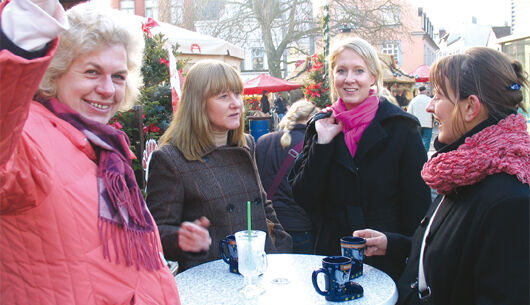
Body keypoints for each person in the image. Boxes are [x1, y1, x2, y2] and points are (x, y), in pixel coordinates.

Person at [0, 1, 180, 304]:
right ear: (54, 73)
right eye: (92, 72)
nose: (108, 89)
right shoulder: (25, 137)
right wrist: (28, 23)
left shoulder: (105, 149)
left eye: (118, 76)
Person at [354, 47, 529, 305]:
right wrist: (394, 245)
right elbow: (455, 257)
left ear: (470, 107)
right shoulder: (464, 169)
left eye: (438, 95)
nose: (431, 107)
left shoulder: (510, 200)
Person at [289, 37, 431, 281]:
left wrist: (398, 246)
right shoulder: (322, 124)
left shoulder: (401, 128)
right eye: (341, 71)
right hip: (333, 256)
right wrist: (322, 146)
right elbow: (303, 196)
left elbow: (418, 209)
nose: (349, 79)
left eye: (359, 71)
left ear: (373, 76)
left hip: (385, 259)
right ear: (333, 76)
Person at [146, 60, 292, 272]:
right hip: (210, 279)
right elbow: (155, 233)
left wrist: (281, 244)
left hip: (258, 270)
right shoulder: (170, 159)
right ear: (198, 103)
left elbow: (261, 203)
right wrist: (182, 238)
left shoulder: (246, 144)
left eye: (237, 94)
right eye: (223, 96)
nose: (236, 104)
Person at [256, 99, 319, 254]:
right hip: (301, 227)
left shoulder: (263, 141)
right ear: (313, 117)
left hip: (269, 227)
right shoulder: (314, 144)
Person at [407, 86, 434, 151]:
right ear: (425, 91)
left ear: (419, 91)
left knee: (417, 141)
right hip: (428, 123)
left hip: (416, 124)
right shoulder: (429, 100)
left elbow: (409, 112)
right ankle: (425, 155)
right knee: (426, 141)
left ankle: (418, 154)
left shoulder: (414, 100)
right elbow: (434, 112)